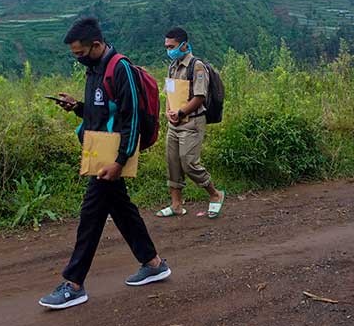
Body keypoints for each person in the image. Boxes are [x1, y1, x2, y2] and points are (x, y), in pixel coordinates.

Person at [39, 17, 170, 310]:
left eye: (80, 54)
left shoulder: (119, 67)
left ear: (96, 45)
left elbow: (131, 117)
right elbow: (100, 111)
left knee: (91, 214)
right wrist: (78, 108)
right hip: (99, 152)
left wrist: (120, 161)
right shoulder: (95, 70)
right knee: (121, 210)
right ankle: (153, 263)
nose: (78, 59)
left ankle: (73, 284)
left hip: (111, 157)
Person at [156, 27, 225, 219]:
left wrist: (180, 112)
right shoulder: (173, 66)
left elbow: (200, 97)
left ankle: (215, 194)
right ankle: (176, 205)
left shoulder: (197, 66)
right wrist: (169, 111)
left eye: (172, 46)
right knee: (173, 164)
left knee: (189, 163)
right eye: (167, 47)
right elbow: (170, 91)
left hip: (192, 122)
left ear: (184, 45)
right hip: (174, 123)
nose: (169, 50)